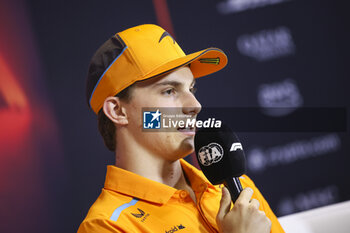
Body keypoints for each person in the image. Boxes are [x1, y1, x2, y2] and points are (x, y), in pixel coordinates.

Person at [78, 24, 284, 233]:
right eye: (169, 91)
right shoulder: (106, 225)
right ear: (117, 111)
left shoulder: (235, 189)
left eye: (191, 88)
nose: (194, 105)